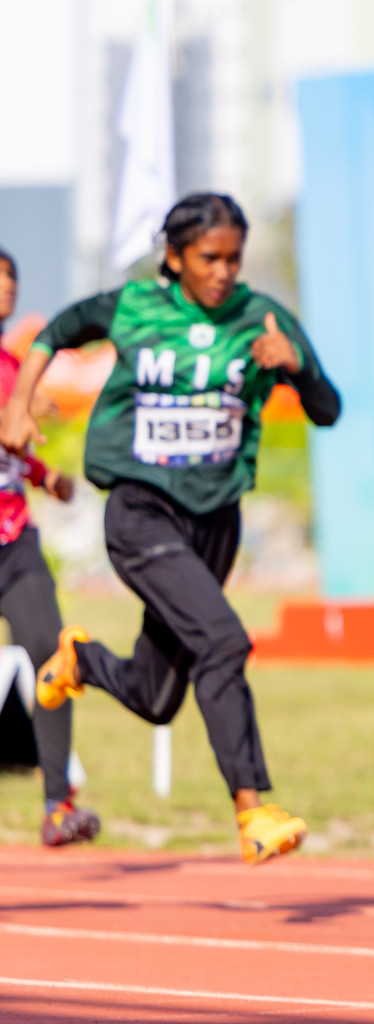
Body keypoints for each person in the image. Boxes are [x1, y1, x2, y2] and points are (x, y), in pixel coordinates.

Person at [0, 195, 342, 865]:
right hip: (140, 512)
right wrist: (17, 402)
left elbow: (327, 408)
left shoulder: (261, 319)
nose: (223, 271)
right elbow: (59, 329)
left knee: (157, 698)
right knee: (223, 640)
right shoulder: (135, 306)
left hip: (215, 522)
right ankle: (253, 810)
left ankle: (81, 660)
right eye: (209, 258)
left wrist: (295, 366)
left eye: (234, 259)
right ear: (177, 257)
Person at [0, 247, 100, 846]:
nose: (5, 289)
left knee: (53, 657)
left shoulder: (16, 369)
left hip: (13, 541)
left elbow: (11, 448)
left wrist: (44, 476)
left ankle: (58, 803)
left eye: (11, 279)